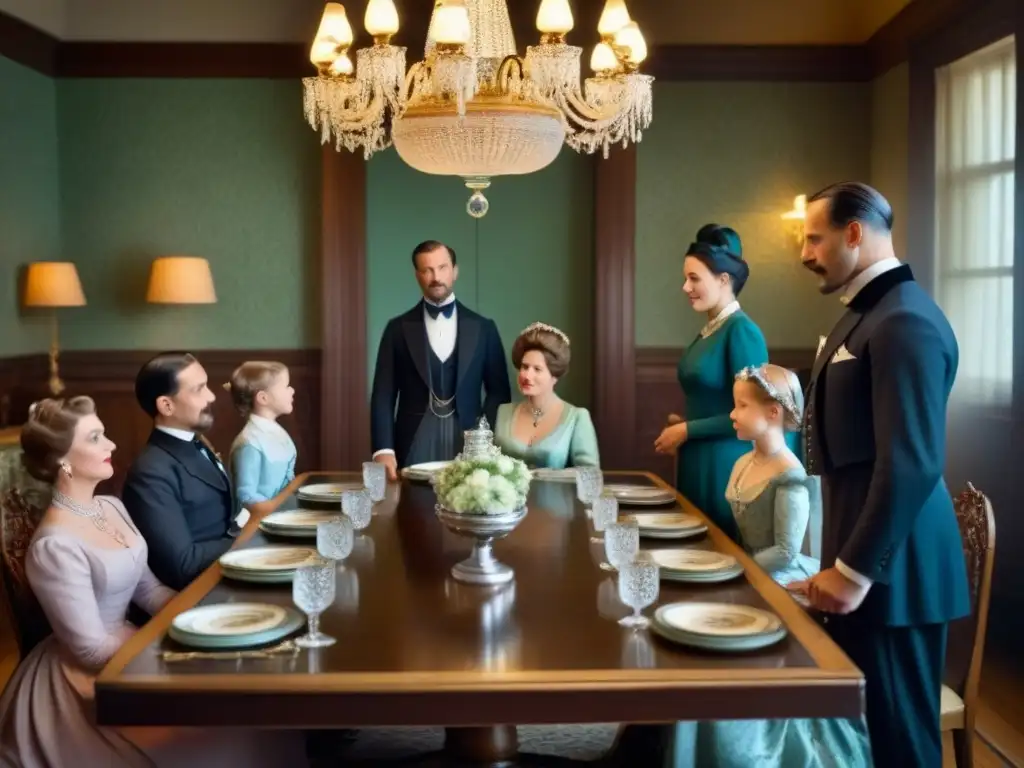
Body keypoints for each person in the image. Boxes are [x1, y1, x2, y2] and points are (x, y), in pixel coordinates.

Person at [0, 397, 305, 767]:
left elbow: (148, 589)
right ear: (63, 460)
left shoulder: (112, 507)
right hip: (89, 684)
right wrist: (171, 640)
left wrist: (204, 619)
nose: (111, 444)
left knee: (254, 708)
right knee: (229, 736)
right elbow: (90, 649)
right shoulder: (54, 546)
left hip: (134, 647)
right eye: (95, 438)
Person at [788, 182, 970, 768]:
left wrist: (855, 570)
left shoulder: (904, 321)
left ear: (855, 233)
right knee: (860, 736)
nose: (805, 252)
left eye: (814, 238)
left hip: (897, 568)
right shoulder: (871, 313)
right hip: (867, 553)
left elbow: (913, 460)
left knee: (899, 743)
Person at [661, 364, 873, 767]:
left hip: (778, 579)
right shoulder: (744, 463)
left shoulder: (790, 475)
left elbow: (785, 551)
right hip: (748, 568)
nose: (732, 415)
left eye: (741, 406)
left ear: (773, 413)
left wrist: (735, 570)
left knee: (724, 646)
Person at [654, 224, 769, 542]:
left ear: (723, 280)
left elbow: (753, 413)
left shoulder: (741, 332)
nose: (685, 287)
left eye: (694, 279)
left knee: (721, 550)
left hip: (725, 463)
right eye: (685, 278)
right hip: (697, 458)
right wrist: (684, 424)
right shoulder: (709, 331)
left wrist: (687, 430)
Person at [370, 240, 511, 479]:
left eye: (442, 267)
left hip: (469, 441)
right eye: (427, 270)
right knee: (413, 510)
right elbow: (383, 395)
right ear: (417, 275)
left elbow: (499, 392)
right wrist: (383, 449)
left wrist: (482, 438)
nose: (435, 276)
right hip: (413, 439)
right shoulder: (397, 329)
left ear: (455, 271)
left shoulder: (484, 328)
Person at [122, 352, 245, 591]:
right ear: (166, 405)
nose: (211, 396)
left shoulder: (195, 442)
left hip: (228, 575)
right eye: (199, 390)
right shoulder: (150, 472)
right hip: (199, 594)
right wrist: (245, 537)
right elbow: (182, 565)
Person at [492, 322, 599, 469]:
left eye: (537, 369)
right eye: (524, 367)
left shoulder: (577, 417)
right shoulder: (503, 412)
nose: (527, 375)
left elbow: (590, 474)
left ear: (554, 376)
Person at [225, 360, 297, 510]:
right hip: (261, 521)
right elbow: (246, 495)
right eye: (286, 387)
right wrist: (277, 509)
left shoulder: (276, 431)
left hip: (285, 512)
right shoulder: (249, 443)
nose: (292, 390)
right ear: (263, 398)